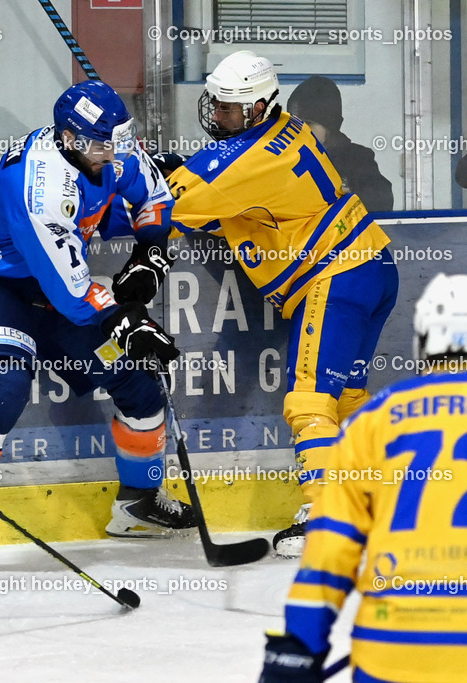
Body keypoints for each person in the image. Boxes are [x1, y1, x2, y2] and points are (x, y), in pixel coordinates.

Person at [0, 80, 196, 564]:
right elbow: (72, 295)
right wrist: (129, 323)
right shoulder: (40, 190)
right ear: (70, 139)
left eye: (116, 142)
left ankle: (138, 504)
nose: (114, 154)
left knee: (139, 381)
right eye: (103, 146)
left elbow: (154, 194)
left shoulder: (105, 147)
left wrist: (151, 250)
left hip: (61, 287)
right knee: (2, 390)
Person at [161, 51, 399, 557]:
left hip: (335, 277)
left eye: (228, 108)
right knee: (347, 401)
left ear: (258, 106)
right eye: (216, 104)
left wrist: (152, 171)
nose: (217, 115)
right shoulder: (287, 128)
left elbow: (169, 206)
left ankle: (327, 519)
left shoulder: (244, 160)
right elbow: (224, 202)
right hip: (373, 268)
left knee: (308, 403)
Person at [259, 273, 467, 683]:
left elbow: (330, 549)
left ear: (423, 342)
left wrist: (299, 648)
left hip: (391, 647)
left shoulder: (375, 420)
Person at [287, 75, 394, 213]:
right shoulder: (286, 158)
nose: (301, 131)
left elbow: (382, 201)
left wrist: (349, 195)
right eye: (295, 125)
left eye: (308, 123)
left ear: (329, 126)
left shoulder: (357, 159)